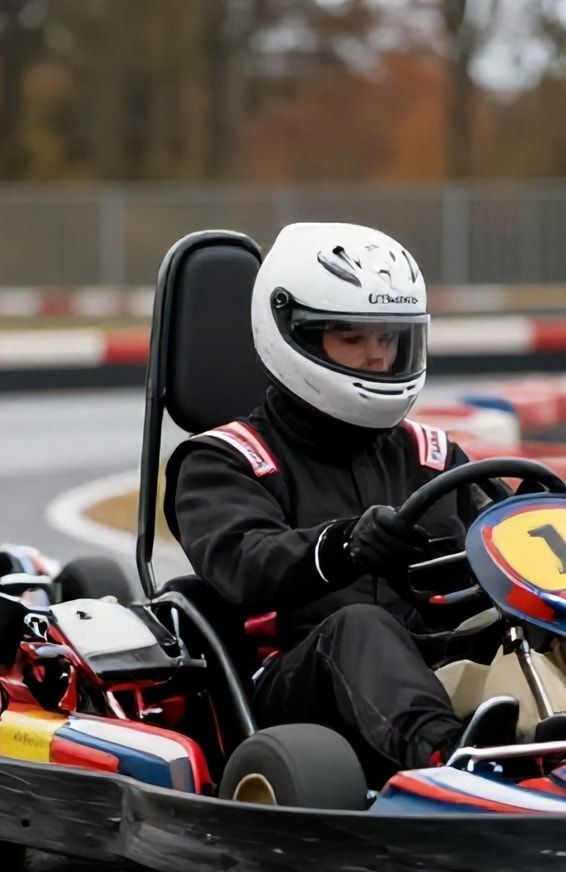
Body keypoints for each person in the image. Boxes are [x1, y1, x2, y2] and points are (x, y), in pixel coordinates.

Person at [164, 222, 525, 781]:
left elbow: (508, 539)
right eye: (353, 339)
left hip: (432, 661)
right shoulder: (224, 460)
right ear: (297, 337)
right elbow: (243, 565)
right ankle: (451, 760)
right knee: (360, 624)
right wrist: (343, 546)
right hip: (292, 692)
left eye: (388, 339)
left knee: (531, 616)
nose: (379, 359)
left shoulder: (428, 455)